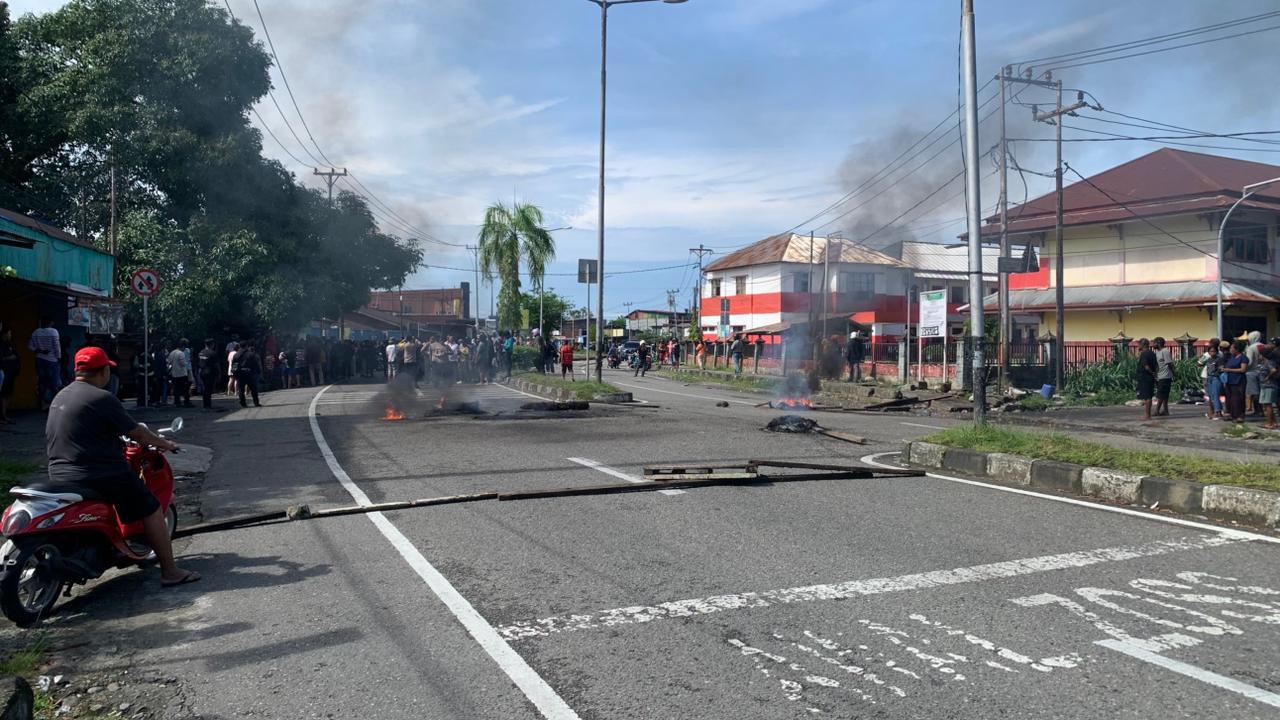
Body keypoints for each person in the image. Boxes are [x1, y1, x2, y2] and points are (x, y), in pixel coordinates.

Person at [41, 347, 199, 587]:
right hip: (99, 475)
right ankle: (170, 571)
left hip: (58, 474)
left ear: (77, 370)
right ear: (104, 371)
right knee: (151, 508)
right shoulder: (101, 398)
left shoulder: (60, 396)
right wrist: (165, 444)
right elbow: (137, 433)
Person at [28, 317, 61, 410]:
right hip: (52, 361)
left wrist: (40, 351)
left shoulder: (36, 332)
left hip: (39, 360)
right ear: (51, 322)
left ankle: (41, 404)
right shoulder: (53, 332)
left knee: (42, 382)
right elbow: (56, 346)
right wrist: (58, 358)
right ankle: (56, 405)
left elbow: (30, 346)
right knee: (54, 383)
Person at [1223, 340, 1249, 423]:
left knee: (1238, 399)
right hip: (1229, 380)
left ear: (1236, 349)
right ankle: (1231, 414)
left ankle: (1239, 415)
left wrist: (1229, 369)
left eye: (1232, 348)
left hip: (1239, 380)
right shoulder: (1231, 358)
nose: (1230, 349)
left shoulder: (1243, 357)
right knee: (1230, 399)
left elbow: (1243, 369)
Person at [1198, 339, 1223, 420]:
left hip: (1214, 378)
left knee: (1214, 395)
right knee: (1212, 395)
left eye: (1214, 351)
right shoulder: (1212, 358)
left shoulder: (1214, 357)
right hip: (1209, 378)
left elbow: (1199, 363)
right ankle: (1215, 411)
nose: (1212, 353)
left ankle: (1215, 411)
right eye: (1211, 351)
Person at [231, 342, 262, 407]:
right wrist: (258, 371)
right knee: (254, 389)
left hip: (240, 374)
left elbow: (234, 365)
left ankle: (243, 404)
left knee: (241, 390)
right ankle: (256, 403)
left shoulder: (236, 355)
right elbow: (255, 364)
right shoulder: (251, 354)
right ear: (246, 346)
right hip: (250, 373)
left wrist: (234, 374)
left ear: (239, 346)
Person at [1135, 338, 1157, 421]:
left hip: (1145, 377)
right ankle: (1148, 414)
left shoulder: (1144, 354)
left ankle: (1148, 415)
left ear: (1143, 345)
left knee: (1147, 397)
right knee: (1149, 396)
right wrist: (1154, 374)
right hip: (1150, 378)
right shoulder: (1152, 353)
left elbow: (1146, 366)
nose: (1138, 346)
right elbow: (1156, 365)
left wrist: (1152, 373)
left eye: (1139, 344)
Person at [167, 339, 193, 408]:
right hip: (182, 374)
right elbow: (183, 364)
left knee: (176, 388)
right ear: (183, 346)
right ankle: (186, 401)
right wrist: (187, 362)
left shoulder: (172, 352)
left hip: (174, 373)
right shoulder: (181, 353)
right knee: (185, 388)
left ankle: (177, 401)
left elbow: (168, 362)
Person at [1256, 346, 1277, 430]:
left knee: (1268, 405)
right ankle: (1274, 422)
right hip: (1264, 386)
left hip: (1269, 385)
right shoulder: (1263, 363)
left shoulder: (1269, 362)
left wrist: (1267, 377)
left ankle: (1269, 423)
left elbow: (1273, 370)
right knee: (1267, 405)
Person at [0, 323, 17, 423]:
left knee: (7, 394)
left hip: (10, 372)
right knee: (3, 394)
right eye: (9, 334)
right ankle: (3, 415)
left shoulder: (9, 344)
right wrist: (10, 358)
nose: (10, 336)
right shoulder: (2, 345)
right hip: (4, 371)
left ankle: (4, 414)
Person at [1152, 336, 1173, 417]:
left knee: (1161, 394)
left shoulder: (1165, 351)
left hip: (1165, 376)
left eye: (1154, 343)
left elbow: (1169, 364)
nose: (1153, 345)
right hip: (1159, 376)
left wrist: (1174, 373)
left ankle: (1157, 410)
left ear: (1158, 343)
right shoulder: (1157, 352)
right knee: (1164, 394)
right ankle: (1165, 410)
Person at [197, 339, 220, 410]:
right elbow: (216, 365)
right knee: (208, 389)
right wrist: (219, 373)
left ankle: (205, 404)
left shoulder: (201, 352)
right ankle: (208, 405)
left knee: (205, 388)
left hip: (202, 372)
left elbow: (199, 362)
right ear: (212, 344)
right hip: (210, 372)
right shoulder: (213, 353)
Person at [1244, 330, 1263, 415]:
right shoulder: (1263, 346)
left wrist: (1244, 368)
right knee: (1260, 392)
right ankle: (1261, 410)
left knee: (1253, 392)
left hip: (1251, 372)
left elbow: (1249, 361)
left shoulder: (1251, 348)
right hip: (1262, 372)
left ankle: (1257, 410)